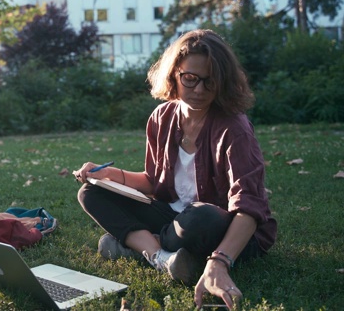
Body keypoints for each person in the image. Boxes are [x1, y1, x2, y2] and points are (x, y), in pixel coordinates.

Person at [73, 29, 276, 309]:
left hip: (220, 228)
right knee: (90, 193)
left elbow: (249, 207)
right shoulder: (161, 118)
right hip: (173, 218)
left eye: (210, 81)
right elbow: (154, 181)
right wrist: (109, 175)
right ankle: (161, 256)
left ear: (223, 82)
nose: (199, 90)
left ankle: (136, 246)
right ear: (174, 74)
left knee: (200, 216)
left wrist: (220, 263)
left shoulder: (234, 128)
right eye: (190, 78)